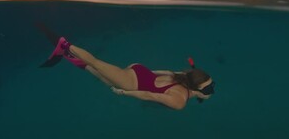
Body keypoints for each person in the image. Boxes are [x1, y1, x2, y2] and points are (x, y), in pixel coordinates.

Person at [42, 36, 215, 110]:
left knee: (101, 75)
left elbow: (163, 72)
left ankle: (66, 54)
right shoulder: (179, 101)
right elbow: (150, 96)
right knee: (96, 63)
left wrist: (148, 72)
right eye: (208, 90)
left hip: (140, 71)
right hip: (133, 83)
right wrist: (125, 92)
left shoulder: (183, 77)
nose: (211, 91)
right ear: (197, 90)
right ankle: (65, 45)